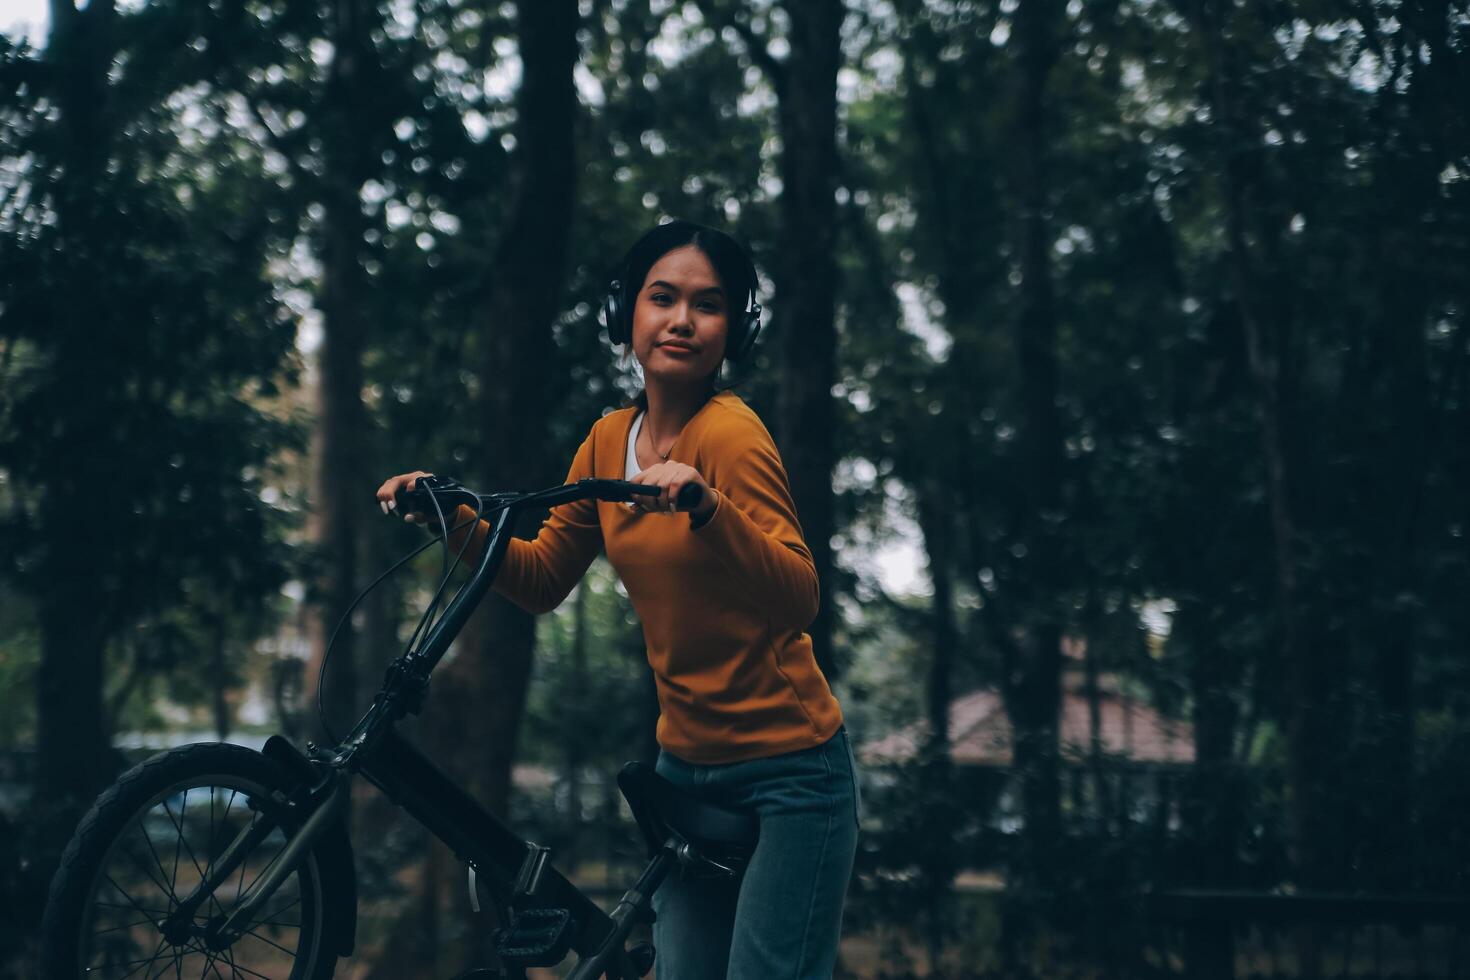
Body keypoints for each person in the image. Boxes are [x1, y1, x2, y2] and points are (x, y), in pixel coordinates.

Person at [376, 218, 860, 979]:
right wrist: (453, 520)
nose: (681, 320)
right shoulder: (608, 439)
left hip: (790, 773)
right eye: (661, 297)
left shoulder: (732, 437)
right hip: (683, 770)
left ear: (734, 329)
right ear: (624, 312)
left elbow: (799, 598)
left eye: (708, 305)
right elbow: (539, 580)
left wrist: (708, 510)